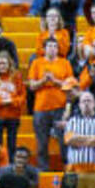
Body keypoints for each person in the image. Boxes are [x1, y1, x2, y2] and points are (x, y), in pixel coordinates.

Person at [27, 37, 74, 168]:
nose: (52, 49)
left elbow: (71, 85)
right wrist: (43, 81)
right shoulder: (36, 63)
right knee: (41, 141)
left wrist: (55, 81)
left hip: (60, 106)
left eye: (54, 46)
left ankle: (67, 167)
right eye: (49, 46)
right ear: (44, 49)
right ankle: (43, 169)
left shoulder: (65, 63)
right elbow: (32, 86)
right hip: (41, 108)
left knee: (64, 140)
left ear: (58, 49)